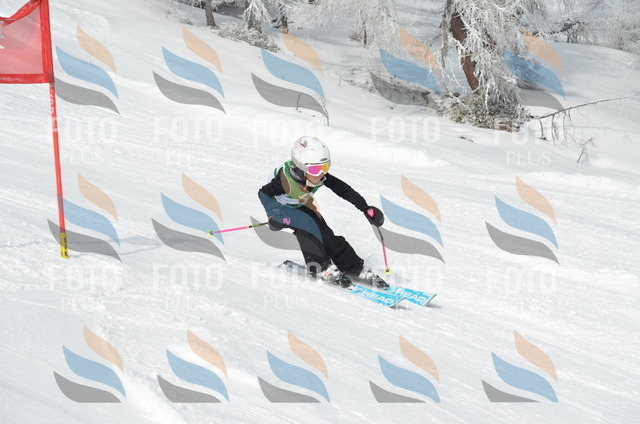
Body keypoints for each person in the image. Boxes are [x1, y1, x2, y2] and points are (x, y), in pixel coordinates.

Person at [258, 136, 388, 289]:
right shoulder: (284, 181)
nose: (321, 173)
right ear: (301, 167)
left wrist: (364, 207)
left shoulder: (317, 175)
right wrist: (273, 214)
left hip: (299, 203)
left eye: (325, 167)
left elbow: (343, 189)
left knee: (326, 235)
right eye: (315, 169)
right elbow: (264, 193)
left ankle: (354, 267)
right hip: (282, 208)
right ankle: (320, 267)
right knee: (307, 227)